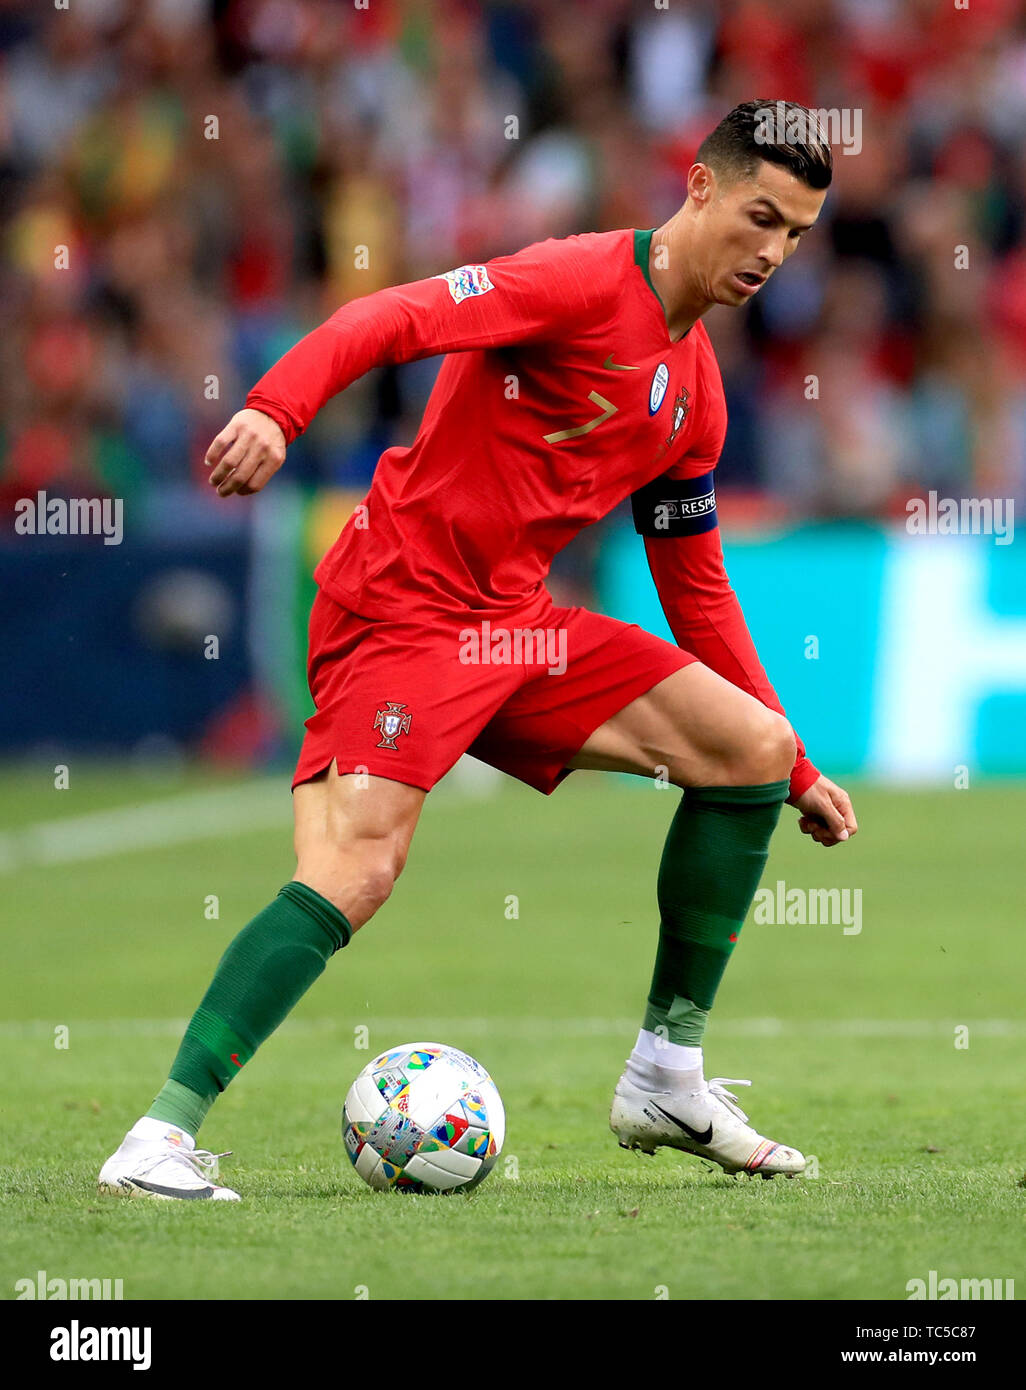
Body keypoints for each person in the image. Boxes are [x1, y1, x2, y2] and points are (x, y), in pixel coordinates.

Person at [99, 100, 857, 1201]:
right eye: (760, 217)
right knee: (357, 869)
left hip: (515, 625)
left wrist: (796, 771)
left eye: (795, 234)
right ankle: (157, 1137)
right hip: (400, 607)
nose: (773, 253)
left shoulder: (693, 395)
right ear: (698, 186)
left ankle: (667, 1077)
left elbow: (696, 587)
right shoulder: (576, 282)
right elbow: (393, 316)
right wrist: (277, 408)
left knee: (746, 745)